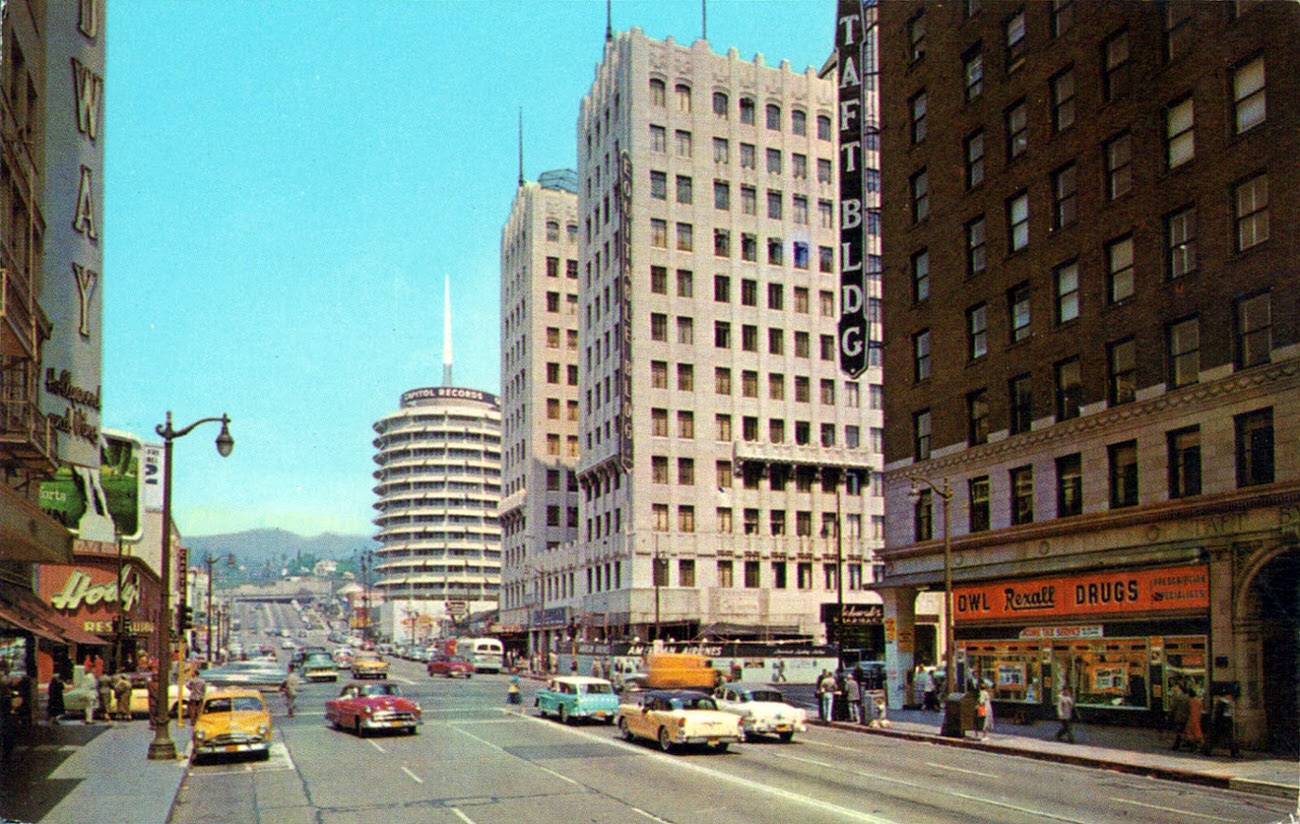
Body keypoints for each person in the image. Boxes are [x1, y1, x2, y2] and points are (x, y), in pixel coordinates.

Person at [1203, 691, 1240, 758]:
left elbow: (1217, 714)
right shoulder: (1225, 703)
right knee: (1229, 738)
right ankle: (1234, 752)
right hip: (1224, 723)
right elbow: (1226, 714)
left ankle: (1208, 750)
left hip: (1219, 723)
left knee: (1215, 738)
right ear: (1227, 695)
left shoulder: (1220, 703)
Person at [1166, 683, 1190, 751]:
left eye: (1175, 687)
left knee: (1178, 731)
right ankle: (1181, 743)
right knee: (1181, 730)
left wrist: (1169, 715)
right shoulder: (1186, 697)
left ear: (1178, 687)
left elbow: (1173, 707)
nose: (1173, 688)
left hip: (1178, 716)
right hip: (1184, 716)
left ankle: (1176, 745)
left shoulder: (1177, 696)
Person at [1184, 688, 1205, 752]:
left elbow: (1188, 710)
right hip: (1197, 718)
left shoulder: (1190, 701)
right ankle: (1201, 745)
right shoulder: (1198, 701)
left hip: (1191, 718)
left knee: (1190, 733)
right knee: (1198, 733)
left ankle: (1194, 746)